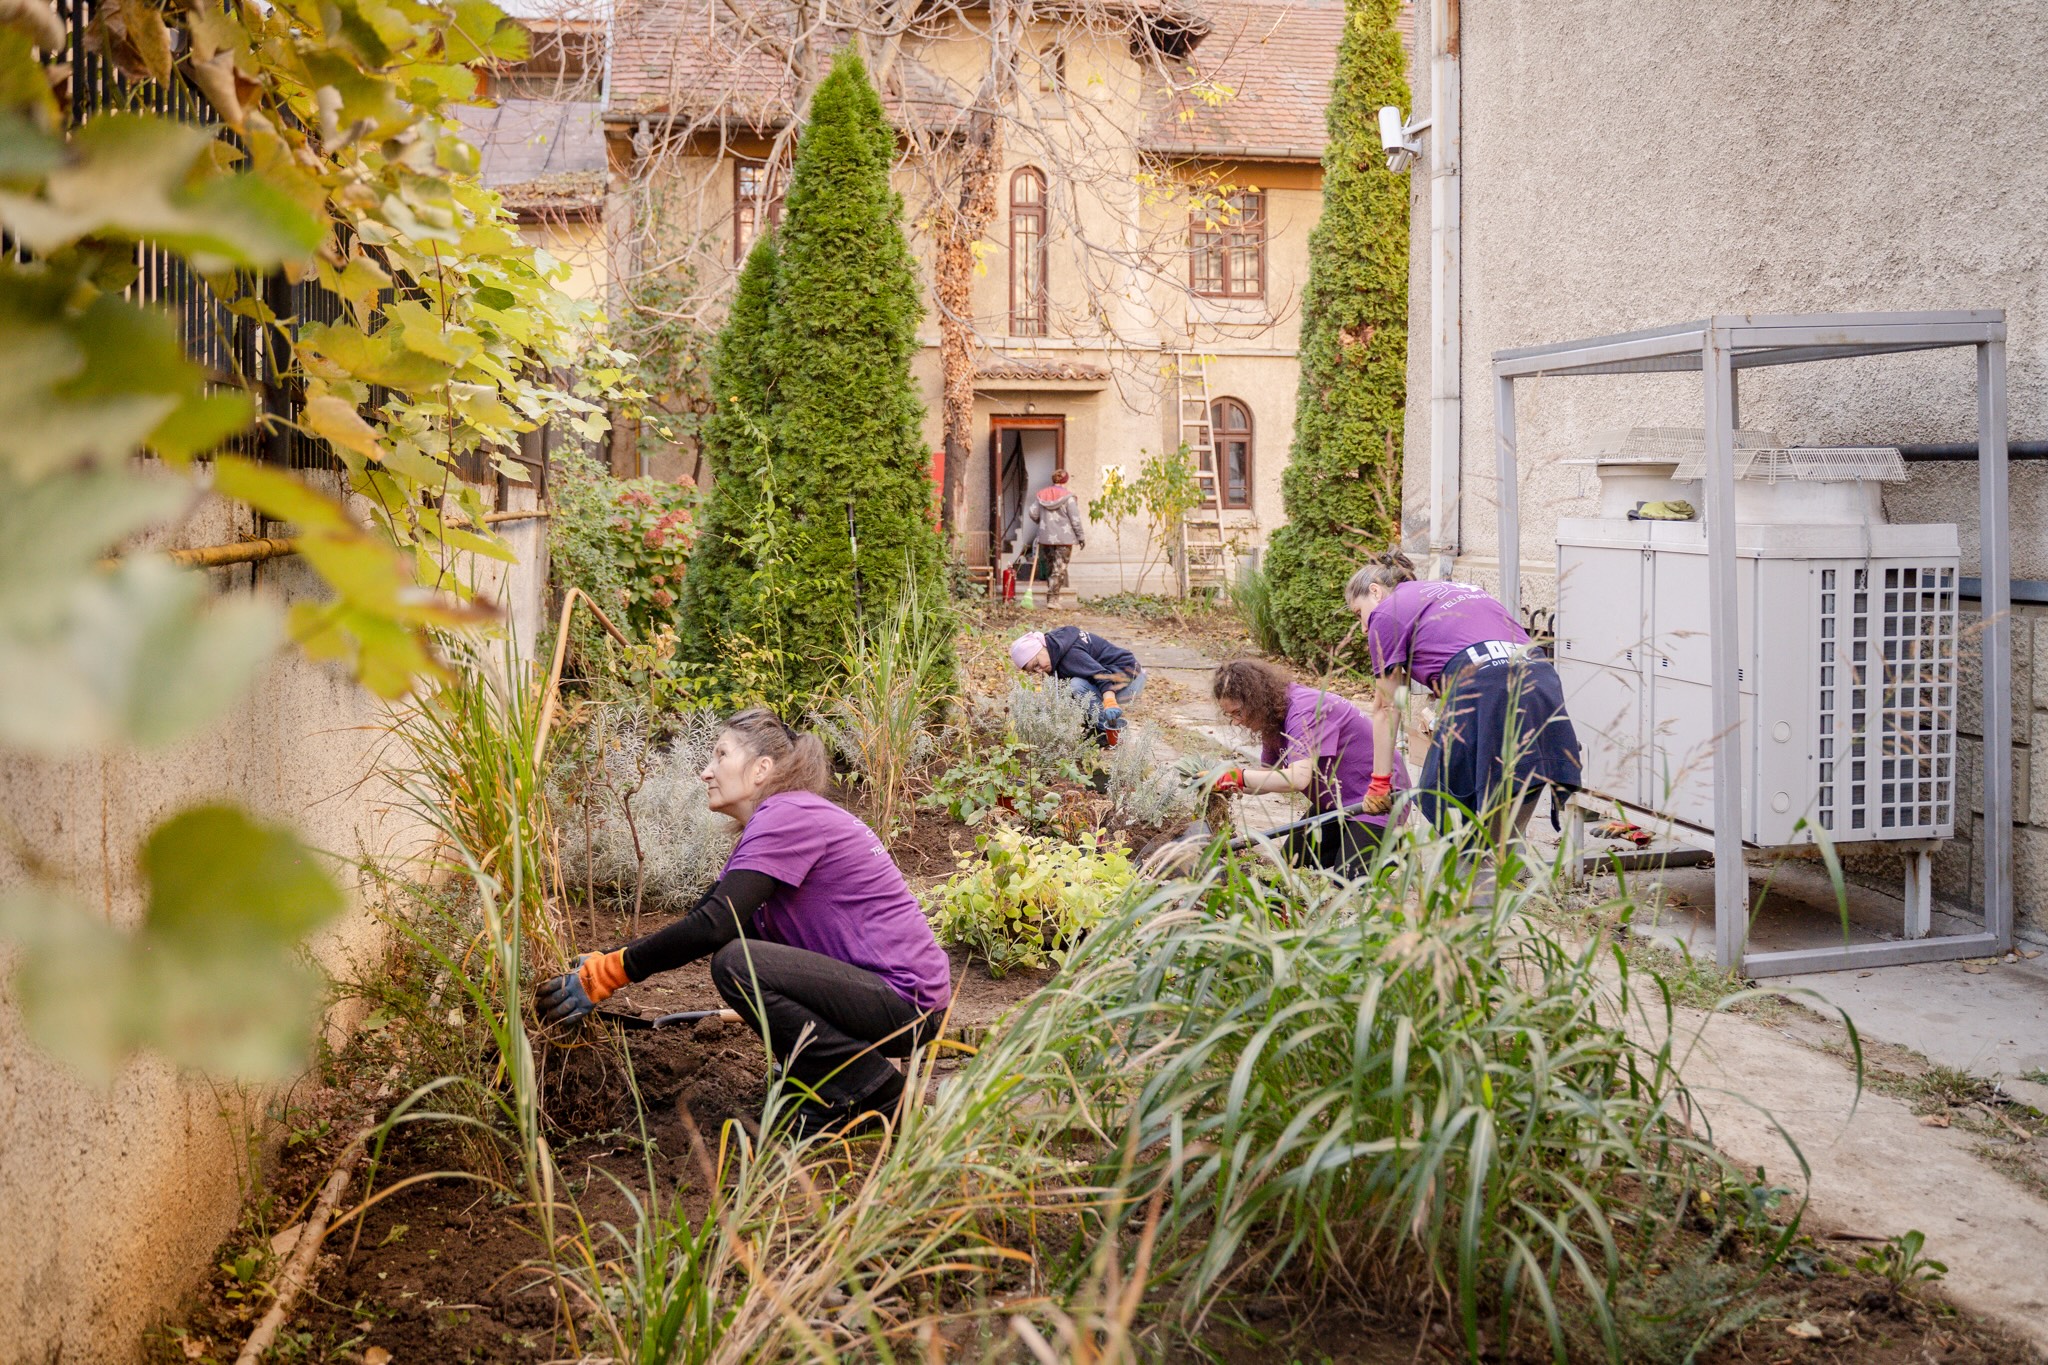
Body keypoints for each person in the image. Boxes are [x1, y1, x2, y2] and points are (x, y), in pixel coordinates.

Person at [535, 709, 952, 1138]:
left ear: (761, 769)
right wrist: (608, 959)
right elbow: (705, 917)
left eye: (720, 755)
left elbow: (716, 926)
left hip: (905, 1004)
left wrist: (614, 972)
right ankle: (833, 1090)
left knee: (737, 962)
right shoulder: (782, 819)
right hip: (886, 998)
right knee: (747, 973)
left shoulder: (788, 815)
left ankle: (878, 1094)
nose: (705, 772)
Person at [1347, 552, 1582, 842]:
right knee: (1528, 771)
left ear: (1375, 591)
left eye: (1359, 614)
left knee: (1441, 794)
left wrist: (1380, 783)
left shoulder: (1386, 612)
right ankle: (1504, 863)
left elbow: (1386, 706)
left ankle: (1472, 871)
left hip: (1486, 685)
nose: (1362, 627)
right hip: (1542, 680)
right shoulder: (1462, 589)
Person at [1203, 659, 1410, 875]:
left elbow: (1297, 779)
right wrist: (1221, 781)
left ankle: (1393, 846)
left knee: (1347, 882)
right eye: (1230, 716)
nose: (1236, 722)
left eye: (1238, 713)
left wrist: (1239, 776)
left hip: (1378, 801)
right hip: (1336, 804)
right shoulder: (1273, 717)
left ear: (1255, 701)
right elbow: (1267, 778)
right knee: (1286, 871)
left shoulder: (1304, 711)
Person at [1010, 626, 1145, 736]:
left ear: (1040, 649)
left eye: (1037, 664)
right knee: (1065, 688)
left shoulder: (1070, 656)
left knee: (1076, 685)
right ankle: (1093, 725)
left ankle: (1108, 730)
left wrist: (1110, 701)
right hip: (1123, 674)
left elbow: (1101, 675)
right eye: (1034, 671)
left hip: (1130, 680)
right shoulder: (1056, 644)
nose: (1039, 671)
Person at [1015, 469, 1086, 604]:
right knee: (1059, 568)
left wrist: (1042, 522)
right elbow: (1075, 519)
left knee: (1049, 567)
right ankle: (1053, 599)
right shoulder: (1069, 498)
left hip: (1046, 536)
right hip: (1065, 539)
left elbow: (1032, 513)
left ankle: (1051, 597)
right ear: (1066, 481)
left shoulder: (1042, 495)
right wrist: (1080, 537)